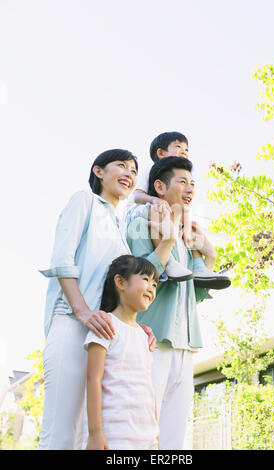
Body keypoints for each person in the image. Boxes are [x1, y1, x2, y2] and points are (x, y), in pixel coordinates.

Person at [38, 149, 158, 450]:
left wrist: (133, 326)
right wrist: (82, 311)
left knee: (85, 437)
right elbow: (62, 259)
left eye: (134, 169)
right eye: (121, 166)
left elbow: (119, 291)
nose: (129, 173)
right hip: (70, 321)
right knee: (61, 433)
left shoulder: (120, 230)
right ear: (99, 171)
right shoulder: (85, 201)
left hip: (101, 332)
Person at [126, 156, 219, 450]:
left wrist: (209, 255)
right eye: (182, 181)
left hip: (185, 345)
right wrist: (165, 241)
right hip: (152, 339)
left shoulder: (186, 237)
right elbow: (141, 281)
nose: (190, 188)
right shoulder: (142, 222)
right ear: (159, 187)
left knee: (174, 438)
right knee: (140, 432)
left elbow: (192, 294)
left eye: (193, 183)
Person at [126, 131, 230, 289]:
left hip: (165, 212)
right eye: (178, 147)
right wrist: (156, 199)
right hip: (143, 210)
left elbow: (185, 210)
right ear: (160, 153)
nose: (184, 151)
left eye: (187, 149)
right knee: (158, 208)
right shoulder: (150, 170)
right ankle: (168, 262)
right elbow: (137, 196)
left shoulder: (179, 193)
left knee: (191, 227)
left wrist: (187, 228)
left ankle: (199, 266)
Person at [84, 255, 160, 450]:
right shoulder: (106, 325)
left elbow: (148, 390)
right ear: (120, 282)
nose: (151, 288)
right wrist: (95, 433)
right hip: (115, 438)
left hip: (147, 439)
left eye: (154, 284)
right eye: (145, 280)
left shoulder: (145, 336)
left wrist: (156, 438)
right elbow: (93, 380)